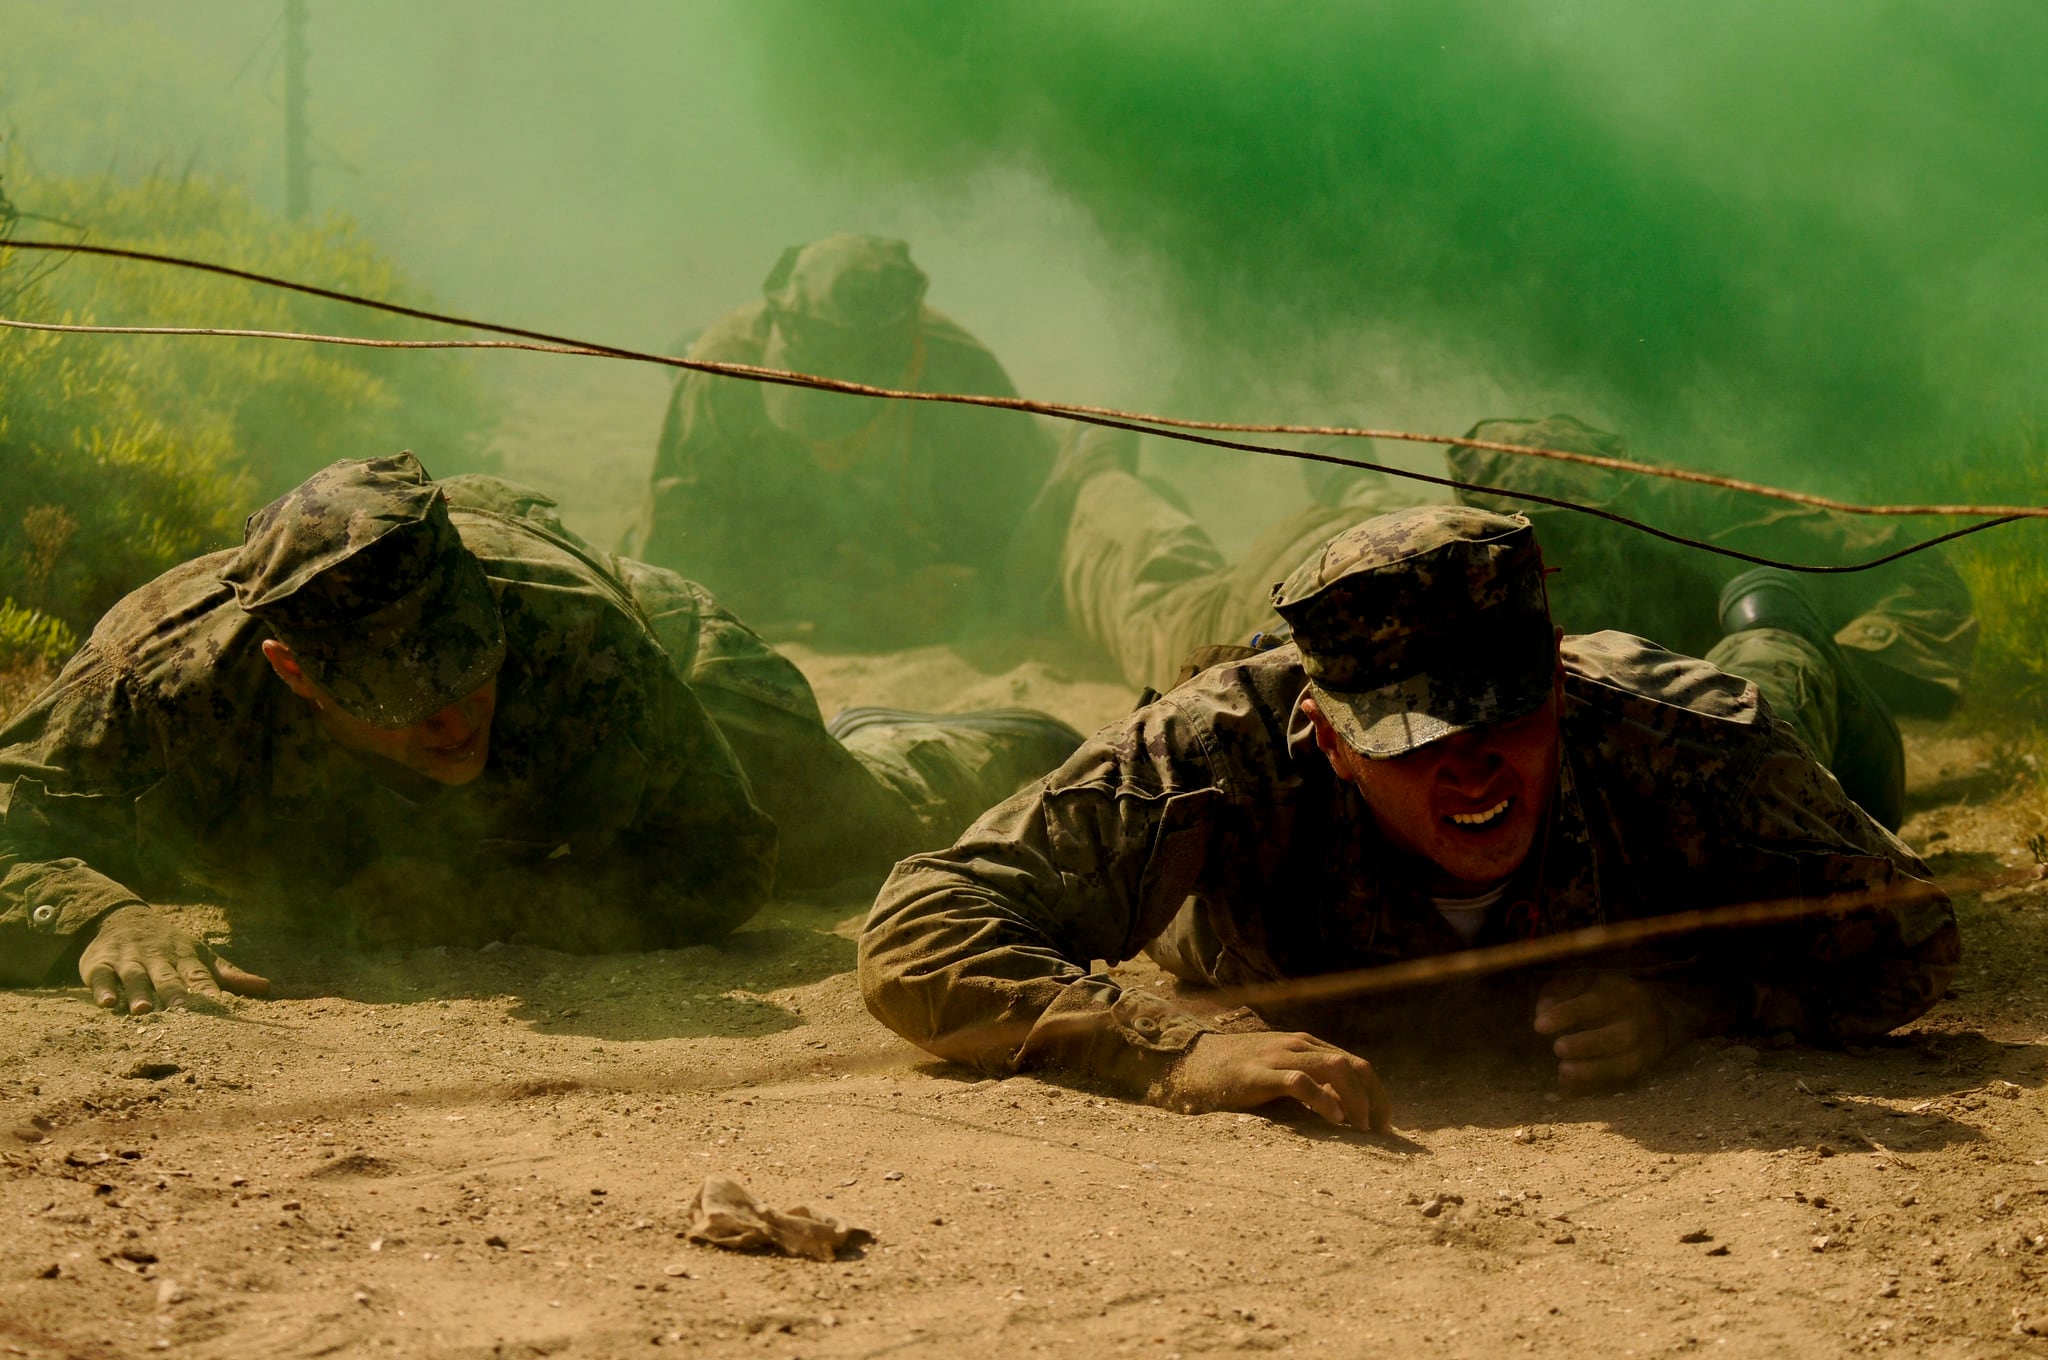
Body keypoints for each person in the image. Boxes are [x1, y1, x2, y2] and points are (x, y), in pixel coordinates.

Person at [859, 506, 1960, 1130]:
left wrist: (1695, 1003)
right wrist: (1169, 1051)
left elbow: (1908, 936)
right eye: (1416, 737)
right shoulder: (1220, 746)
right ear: (1327, 738)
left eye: (1502, 719)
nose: (1469, 765)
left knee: (1777, 685)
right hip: (1232, 913)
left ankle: (1783, 616)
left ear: (1555, 692)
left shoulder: (1665, 732)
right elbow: (922, 921)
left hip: (1712, 719)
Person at [0, 454, 1080, 1013]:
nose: (454, 711)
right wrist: (95, 916)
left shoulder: (571, 636)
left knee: (843, 832)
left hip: (680, 654)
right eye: (399, 689)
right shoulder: (158, 673)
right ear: (294, 672)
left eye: (465, 662)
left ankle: (928, 741)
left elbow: (721, 862)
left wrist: (489, 903)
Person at [1045, 416, 1977, 829]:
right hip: (1324, 574)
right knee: (1155, 586)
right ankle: (1099, 481)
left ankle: (1342, 464)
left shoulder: (1686, 525)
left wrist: (1868, 661)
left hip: (1404, 534)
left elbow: (1905, 563)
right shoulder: (1344, 637)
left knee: (1366, 499)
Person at [628, 234, 1057, 648]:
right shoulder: (720, 372)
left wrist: (958, 591)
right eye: (805, 417)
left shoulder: (968, 382)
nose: (825, 445)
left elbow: (1016, 549)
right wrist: (856, 605)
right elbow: (676, 568)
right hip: (782, 532)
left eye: (845, 423)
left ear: (911, 369)